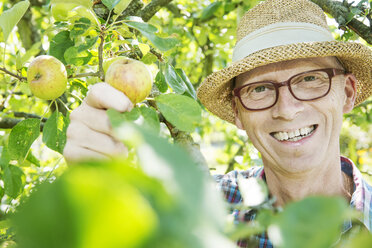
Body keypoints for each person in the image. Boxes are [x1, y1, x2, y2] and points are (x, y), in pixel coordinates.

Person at [63, 0, 372, 246]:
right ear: (238, 112)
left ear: (346, 93)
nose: (287, 110)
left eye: (309, 80)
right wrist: (95, 183)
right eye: (260, 89)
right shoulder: (198, 209)